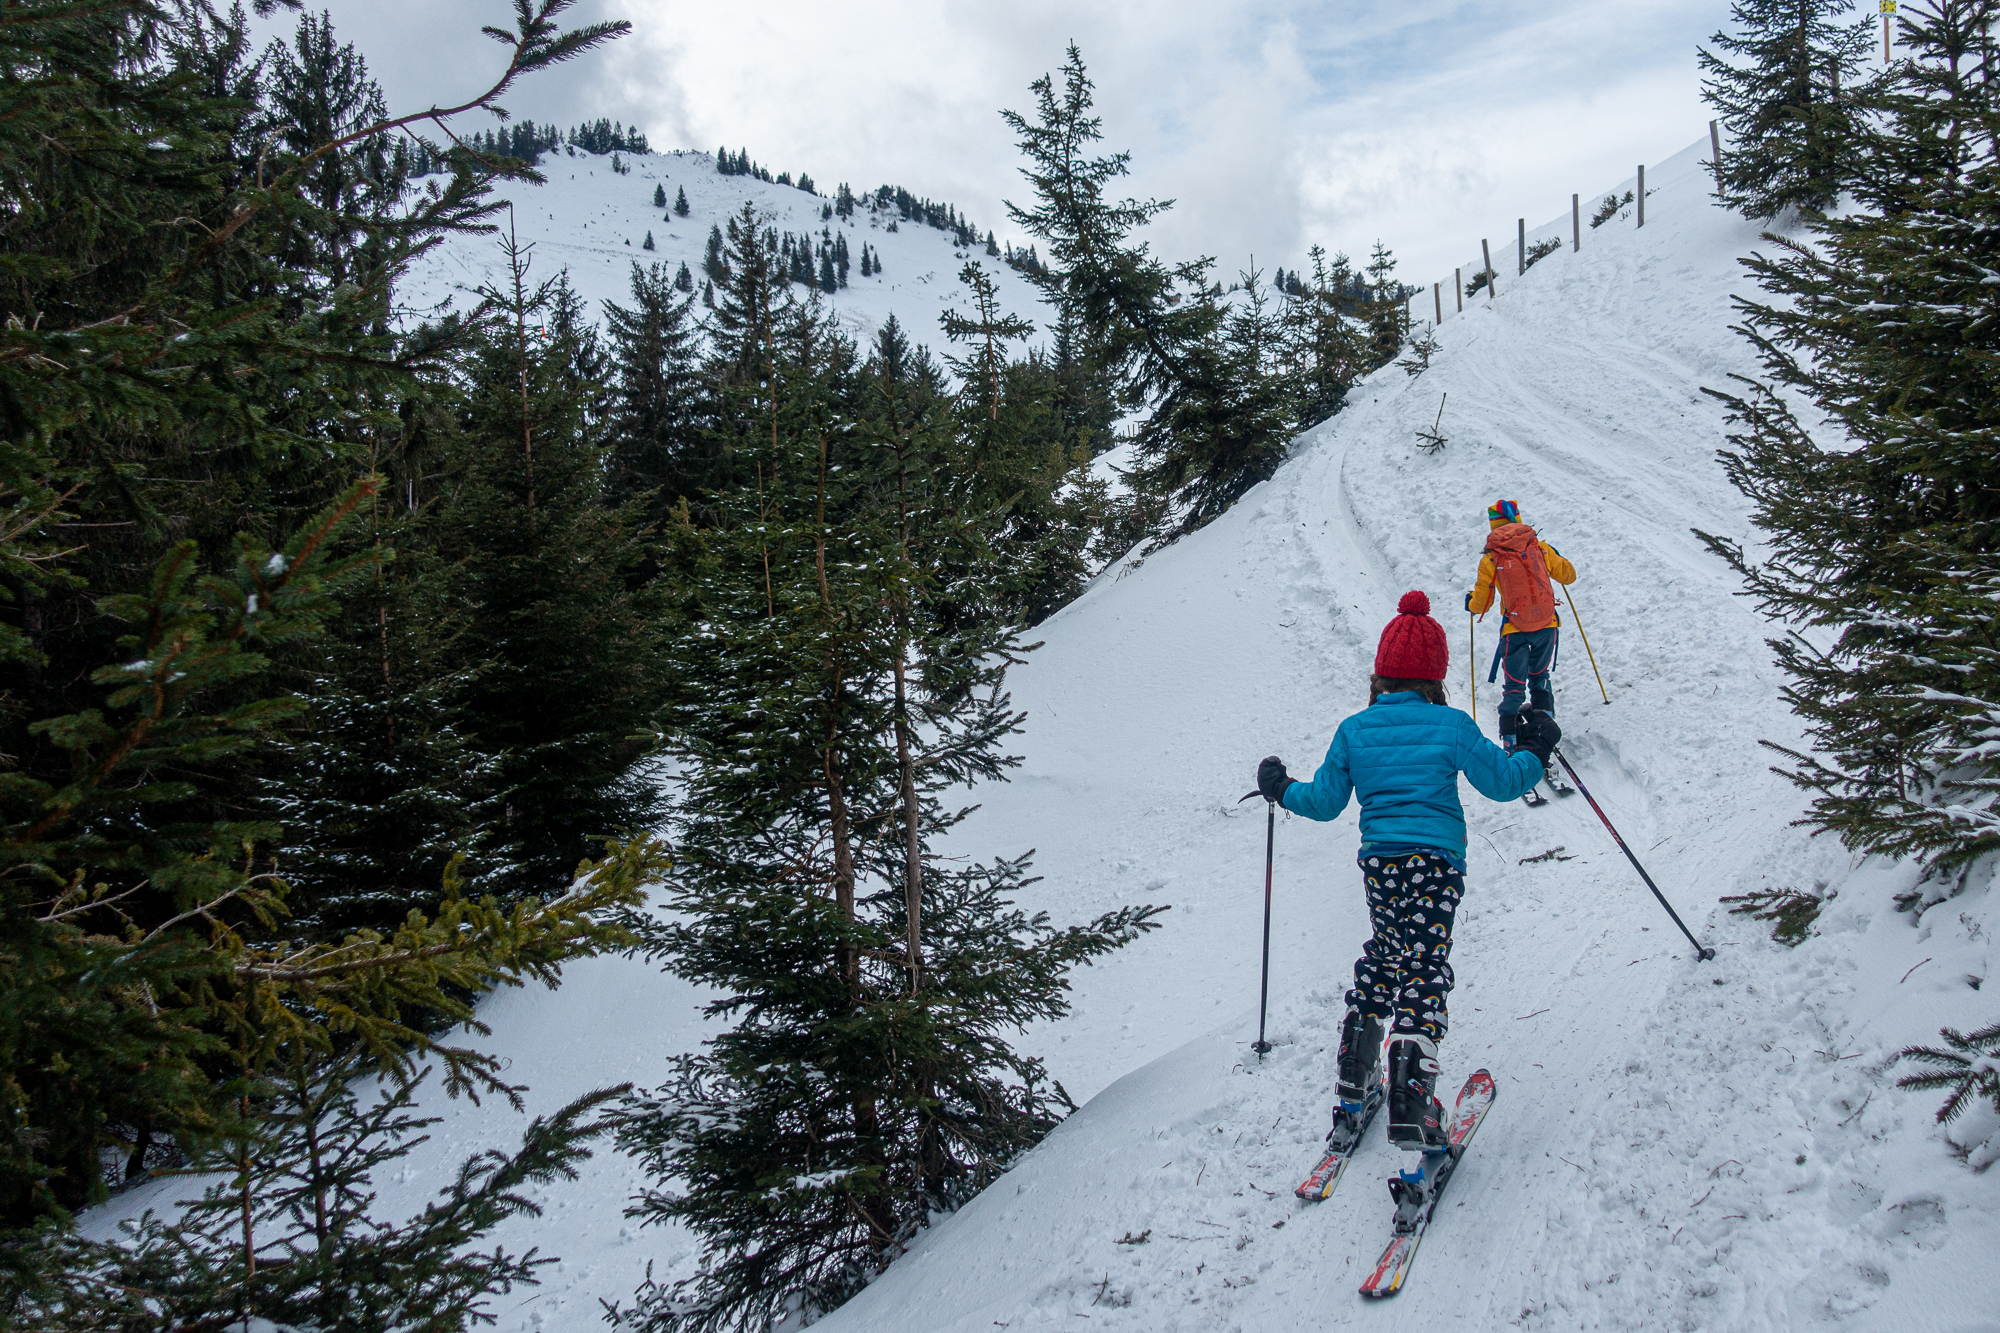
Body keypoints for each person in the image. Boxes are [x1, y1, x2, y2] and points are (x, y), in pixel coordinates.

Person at [1255, 591, 1559, 1179]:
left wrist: (1280, 786)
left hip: (1380, 868)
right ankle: (1410, 1101)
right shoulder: (1452, 726)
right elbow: (1502, 783)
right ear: (1436, 675)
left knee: (1385, 957)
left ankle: (1353, 1081)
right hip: (1437, 866)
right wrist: (1536, 749)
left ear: (1382, 671)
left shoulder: (1355, 730)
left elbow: (1321, 801)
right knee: (1423, 969)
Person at [1464, 500, 1576, 781]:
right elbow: (1568, 575)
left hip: (1514, 631)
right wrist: (1557, 557)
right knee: (1539, 677)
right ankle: (1544, 734)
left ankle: (1511, 746)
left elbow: (1482, 603)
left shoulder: (1491, 557)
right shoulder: (1539, 546)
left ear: (1493, 524)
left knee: (1514, 687)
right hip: (1547, 627)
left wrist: (1470, 604)